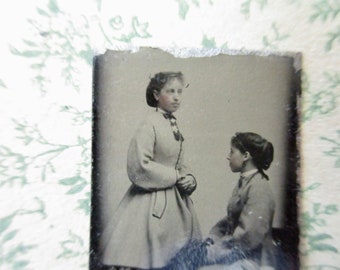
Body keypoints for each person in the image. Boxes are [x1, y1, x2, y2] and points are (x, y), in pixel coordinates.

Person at [99, 72, 201, 270]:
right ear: (156, 95)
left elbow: (178, 160)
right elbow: (139, 164)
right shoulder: (149, 123)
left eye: (179, 91)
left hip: (177, 200)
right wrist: (175, 176)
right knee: (150, 254)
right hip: (151, 200)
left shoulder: (173, 124)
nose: (177, 96)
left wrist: (190, 178)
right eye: (170, 91)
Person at [166, 132, 278, 270]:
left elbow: (248, 237)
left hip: (253, 259)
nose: (228, 156)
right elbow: (230, 220)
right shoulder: (246, 182)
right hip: (235, 251)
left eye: (232, 152)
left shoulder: (259, 188)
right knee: (183, 255)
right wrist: (211, 239)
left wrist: (212, 252)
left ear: (246, 156)